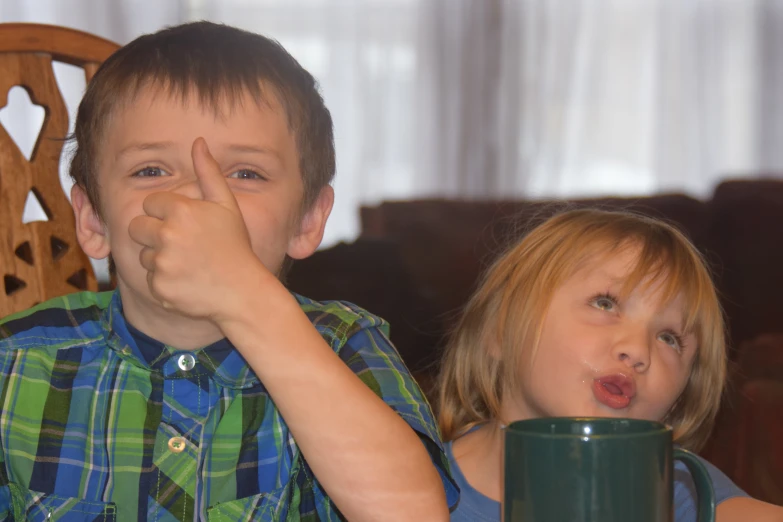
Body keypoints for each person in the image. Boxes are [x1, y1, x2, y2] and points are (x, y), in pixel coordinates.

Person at [0, 21, 456, 521]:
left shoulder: (345, 346)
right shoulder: (14, 363)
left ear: (307, 221)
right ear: (92, 220)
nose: (199, 198)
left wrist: (245, 297)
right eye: (151, 170)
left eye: (244, 173)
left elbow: (412, 512)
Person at [437, 208, 783, 522]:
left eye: (669, 338)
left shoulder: (679, 488)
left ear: (678, 401)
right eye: (605, 304)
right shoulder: (413, 484)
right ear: (501, 331)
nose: (637, 350)